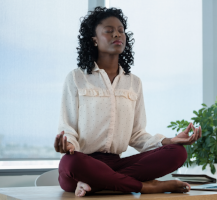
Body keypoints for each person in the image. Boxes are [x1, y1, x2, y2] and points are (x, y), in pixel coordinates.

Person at [54, 6, 202, 197]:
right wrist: (69, 145)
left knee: (177, 152)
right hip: (84, 162)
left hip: (118, 163)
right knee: (70, 163)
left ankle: (98, 183)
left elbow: (137, 134)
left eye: (121, 31)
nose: (117, 34)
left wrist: (169, 141)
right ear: (94, 40)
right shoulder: (76, 78)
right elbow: (68, 127)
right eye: (109, 31)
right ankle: (147, 187)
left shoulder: (134, 83)